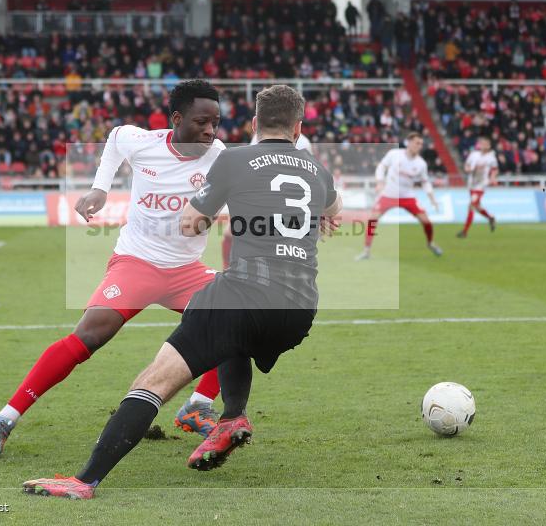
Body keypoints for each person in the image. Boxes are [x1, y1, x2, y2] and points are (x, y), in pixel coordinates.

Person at [20, 84, 342, 500]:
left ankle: (84, 481)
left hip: (243, 296)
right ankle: (231, 417)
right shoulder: (318, 170)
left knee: (155, 380)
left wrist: (211, 214)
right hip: (299, 309)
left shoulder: (235, 159)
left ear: (253, 124)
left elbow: (191, 223)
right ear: (299, 128)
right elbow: (333, 213)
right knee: (233, 336)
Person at [0, 81, 227, 459]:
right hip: (137, 263)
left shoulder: (220, 155)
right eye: (202, 121)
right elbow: (113, 138)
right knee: (90, 334)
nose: (210, 131)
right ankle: (3, 418)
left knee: (236, 320)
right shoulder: (140, 142)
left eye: (216, 123)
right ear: (177, 119)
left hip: (185, 271)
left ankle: (197, 407)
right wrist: (100, 188)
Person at [220, 120, 313, 269]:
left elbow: (249, 169)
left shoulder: (259, 137)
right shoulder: (304, 142)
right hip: (290, 202)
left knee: (232, 234)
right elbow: (310, 174)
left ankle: (228, 270)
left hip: (262, 195)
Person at [356, 132, 442, 259]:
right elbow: (381, 167)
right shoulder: (394, 154)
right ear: (409, 142)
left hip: (408, 197)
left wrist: (433, 199)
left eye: (421, 144)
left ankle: (430, 243)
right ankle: (366, 250)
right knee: (372, 220)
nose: (419, 146)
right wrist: (380, 182)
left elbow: (425, 183)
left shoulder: (421, 164)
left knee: (426, 221)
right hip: (388, 195)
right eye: (417, 143)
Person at [457, 135, 498, 238]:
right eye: (481, 143)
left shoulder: (491, 157)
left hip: (481, 185)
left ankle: (464, 231)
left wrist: (493, 178)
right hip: (472, 184)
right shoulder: (474, 154)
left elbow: (495, 169)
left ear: (489, 146)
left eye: (485, 144)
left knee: (471, 206)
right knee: (477, 206)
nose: (483, 145)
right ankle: (490, 218)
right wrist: (468, 170)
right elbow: (466, 165)